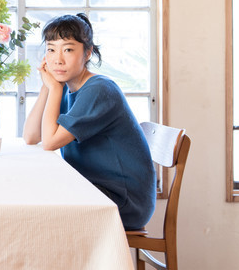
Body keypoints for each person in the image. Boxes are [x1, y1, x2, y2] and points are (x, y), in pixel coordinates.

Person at [23, 13, 155, 230]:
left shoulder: (99, 90)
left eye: (68, 49)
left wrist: (54, 88)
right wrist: (47, 87)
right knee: (33, 195)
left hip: (122, 200)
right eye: (51, 49)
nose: (57, 59)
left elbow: (49, 143)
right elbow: (31, 136)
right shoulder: (66, 86)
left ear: (87, 52)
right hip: (92, 187)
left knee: (39, 208)